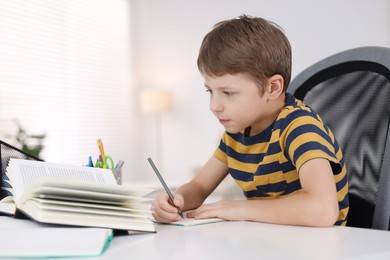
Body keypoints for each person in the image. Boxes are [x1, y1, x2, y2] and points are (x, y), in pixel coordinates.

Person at [152, 14, 349, 227]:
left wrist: (239, 208)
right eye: (210, 91)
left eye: (228, 92)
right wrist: (176, 200)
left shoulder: (300, 127)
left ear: (272, 88)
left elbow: (322, 210)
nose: (214, 106)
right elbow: (199, 186)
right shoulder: (236, 133)